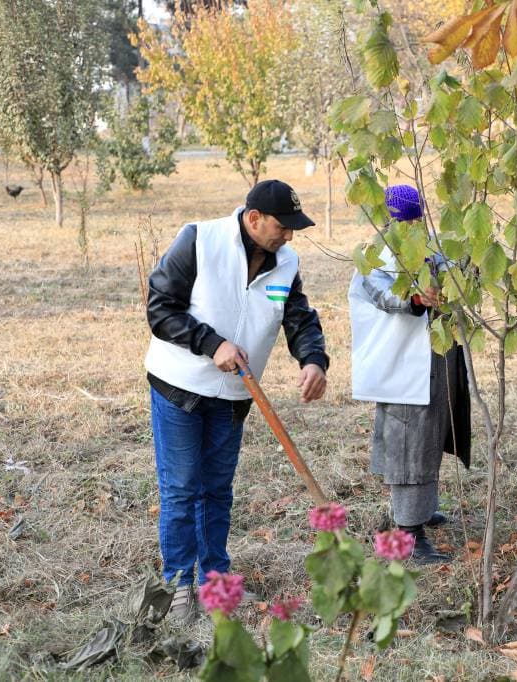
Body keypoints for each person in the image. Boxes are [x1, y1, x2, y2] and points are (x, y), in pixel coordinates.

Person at [145, 179, 330, 623]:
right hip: (180, 386)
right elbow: (160, 309)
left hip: (233, 395)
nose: (288, 235)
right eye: (282, 226)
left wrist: (313, 359)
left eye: (293, 228)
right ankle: (177, 586)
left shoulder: (286, 262)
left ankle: (215, 582)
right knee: (182, 488)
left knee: (216, 490)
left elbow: (298, 316)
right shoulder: (199, 240)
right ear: (253, 219)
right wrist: (211, 343)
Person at [348, 184, 471, 565]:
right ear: (387, 219)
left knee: (432, 435)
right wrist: (416, 297)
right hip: (403, 364)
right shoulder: (375, 258)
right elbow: (387, 296)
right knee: (409, 443)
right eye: (403, 219)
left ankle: (420, 510)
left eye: (415, 217)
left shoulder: (432, 246)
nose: (410, 224)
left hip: (438, 357)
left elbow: (457, 273)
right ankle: (408, 531)